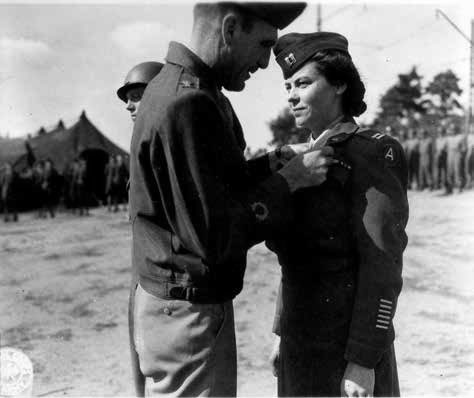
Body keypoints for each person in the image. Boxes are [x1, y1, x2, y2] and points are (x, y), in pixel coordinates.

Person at [129, 2, 338, 396]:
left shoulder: (187, 89)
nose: (264, 63)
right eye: (262, 45)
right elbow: (213, 235)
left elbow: (211, 184)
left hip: (179, 303)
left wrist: (272, 163)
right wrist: (288, 183)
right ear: (229, 29)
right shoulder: (188, 103)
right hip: (185, 310)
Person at [267, 32, 409, 397]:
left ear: (340, 84)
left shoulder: (372, 154)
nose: (291, 95)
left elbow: (382, 265)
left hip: (345, 349)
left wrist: (363, 359)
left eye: (303, 83)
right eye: (287, 85)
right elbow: (294, 263)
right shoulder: (296, 159)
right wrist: (281, 332)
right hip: (300, 342)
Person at [116, 60, 163, 396]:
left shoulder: (164, 142)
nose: (130, 105)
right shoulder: (137, 141)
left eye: (137, 96)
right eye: (127, 98)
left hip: (160, 268)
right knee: (134, 335)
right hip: (139, 261)